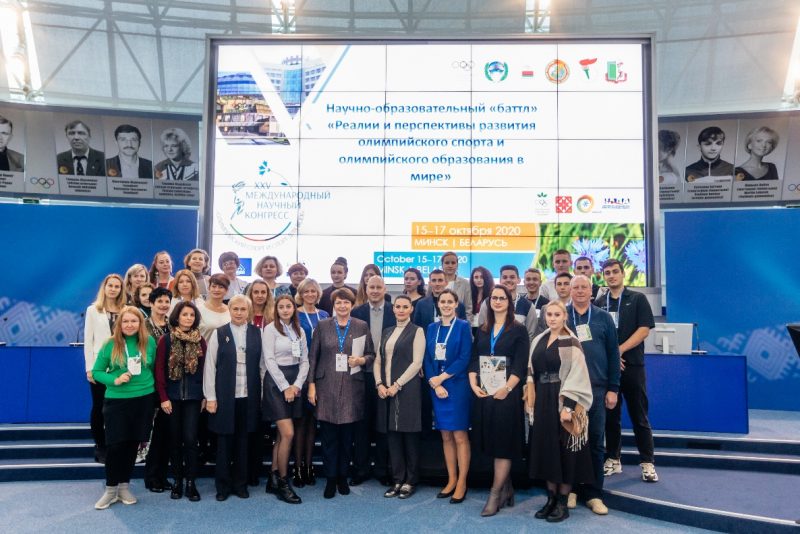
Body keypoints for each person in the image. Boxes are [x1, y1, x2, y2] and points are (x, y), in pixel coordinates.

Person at [526, 300, 594, 523]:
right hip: (542, 400)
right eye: (549, 314)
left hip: (563, 400)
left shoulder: (572, 342)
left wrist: (568, 407)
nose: (552, 318)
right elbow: (531, 371)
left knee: (565, 453)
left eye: (557, 314)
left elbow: (578, 375)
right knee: (547, 450)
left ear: (565, 316)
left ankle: (563, 503)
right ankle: (551, 499)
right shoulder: (538, 340)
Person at [307, 288, 375, 499]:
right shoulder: (323, 325)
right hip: (326, 386)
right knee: (329, 438)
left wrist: (361, 360)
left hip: (352, 387)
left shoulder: (361, 326)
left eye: (346, 302)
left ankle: (342, 477)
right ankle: (330, 479)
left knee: (347, 438)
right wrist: (311, 385)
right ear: (333, 305)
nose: (342, 306)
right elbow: (313, 357)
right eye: (338, 303)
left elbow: (371, 354)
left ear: (352, 305)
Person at [469, 284, 529, 517]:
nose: (497, 301)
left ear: (509, 302)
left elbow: (520, 364)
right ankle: (507, 487)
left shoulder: (519, 330)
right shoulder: (483, 329)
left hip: (507, 394)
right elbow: (474, 359)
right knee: (492, 441)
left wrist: (507, 388)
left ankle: (495, 493)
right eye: (494, 298)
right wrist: (473, 384)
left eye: (502, 298)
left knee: (503, 443)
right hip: (485, 394)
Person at [596, 259, 658, 483]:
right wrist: (611, 358)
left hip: (632, 366)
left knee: (639, 416)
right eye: (607, 273)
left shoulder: (638, 298)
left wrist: (619, 351)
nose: (611, 275)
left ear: (623, 274)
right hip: (608, 370)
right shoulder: (600, 303)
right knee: (611, 417)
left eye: (615, 271)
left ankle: (647, 462)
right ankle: (613, 459)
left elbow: (644, 330)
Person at [91, 306, 157, 509]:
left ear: (140, 323)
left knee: (132, 445)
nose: (129, 325)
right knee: (115, 446)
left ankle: (124, 487)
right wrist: (115, 379)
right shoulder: (110, 344)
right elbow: (97, 372)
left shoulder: (149, 342)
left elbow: (153, 367)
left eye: (133, 321)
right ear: (119, 324)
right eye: (125, 321)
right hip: (117, 400)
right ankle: (111, 489)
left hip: (144, 398)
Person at [565, 275, 620, 515]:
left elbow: (613, 354)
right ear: (570, 291)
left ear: (591, 291)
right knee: (571, 441)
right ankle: (571, 490)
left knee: (596, 442)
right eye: (575, 287)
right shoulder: (563, 315)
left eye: (584, 287)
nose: (579, 291)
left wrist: (613, 388)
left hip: (597, 389)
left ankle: (594, 493)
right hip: (569, 390)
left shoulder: (603, 318)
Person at [204, 294, 263, 501]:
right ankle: (222, 486)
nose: (239, 313)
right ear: (229, 310)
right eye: (235, 309)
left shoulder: (257, 333)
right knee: (224, 443)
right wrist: (211, 397)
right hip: (225, 397)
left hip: (248, 397)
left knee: (243, 443)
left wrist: (262, 396)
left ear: (249, 311)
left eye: (243, 309)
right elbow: (210, 366)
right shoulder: (219, 333)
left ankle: (240, 484)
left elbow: (262, 367)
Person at [423, 289, 472, 504]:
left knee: (460, 435)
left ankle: (462, 482)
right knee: (445, 436)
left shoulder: (462, 326)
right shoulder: (431, 328)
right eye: (442, 301)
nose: (445, 305)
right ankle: (451, 479)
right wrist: (434, 383)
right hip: (437, 387)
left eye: (449, 301)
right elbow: (427, 358)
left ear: (456, 304)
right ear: (438, 304)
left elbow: (464, 357)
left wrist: (442, 378)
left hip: (457, 385)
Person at [155, 301, 207, 501]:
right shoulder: (166, 340)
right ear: (177, 317)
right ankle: (177, 481)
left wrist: (204, 395)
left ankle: (191, 483)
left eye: (192, 315)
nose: (188, 318)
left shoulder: (200, 340)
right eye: (185, 314)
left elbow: (205, 370)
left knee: (191, 440)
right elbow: (159, 370)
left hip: (194, 398)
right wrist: (163, 397)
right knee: (175, 440)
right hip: (172, 399)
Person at [261, 295, 309, 504]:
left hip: (295, 382)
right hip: (276, 383)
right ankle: (283, 481)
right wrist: (285, 386)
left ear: (294, 308)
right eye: (281, 307)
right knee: (288, 433)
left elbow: (305, 361)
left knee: (282, 436)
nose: (285, 310)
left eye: (288, 306)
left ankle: (272, 478)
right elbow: (269, 360)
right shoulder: (270, 329)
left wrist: (297, 385)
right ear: (276, 309)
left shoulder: (300, 330)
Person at [375, 295, 424, 499]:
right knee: (393, 437)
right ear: (393, 309)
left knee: (409, 436)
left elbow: (417, 363)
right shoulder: (387, 331)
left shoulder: (417, 331)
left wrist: (397, 385)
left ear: (411, 309)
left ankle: (410, 481)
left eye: (405, 307)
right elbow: (378, 360)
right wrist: (379, 383)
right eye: (398, 307)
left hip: (407, 389)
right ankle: (397, 479)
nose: (401, 310)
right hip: (385, 391)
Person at [351, 275, 395, 486]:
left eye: (379, 287)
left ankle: (382, 469)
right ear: (366, 289)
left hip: (387, 376)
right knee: (362, 424)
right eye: (372, 287)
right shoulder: (356, 312)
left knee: (383, 424)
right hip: (361, 374)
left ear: (385, 289)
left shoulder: (395, 310)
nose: (375, 290)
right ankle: (361, 469)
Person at [84, 273, 126, 464]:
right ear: (104, 287)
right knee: (99, 406)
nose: (113, 289)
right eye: (111, 285)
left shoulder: (126, 310)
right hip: (99, 367)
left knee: (117, 408)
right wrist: (89, 368)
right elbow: (88, 340)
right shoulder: (93, 310)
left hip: (120, 367)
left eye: (117, 286)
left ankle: (115, 443)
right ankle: (100, 445)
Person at [294, 277, 327, 487]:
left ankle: (309, 465)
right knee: (300, 422)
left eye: (313, 291)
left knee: (313, 423)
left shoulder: (324, 315)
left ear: (318, 294)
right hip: (299, 373)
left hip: (320, 375)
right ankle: (298, 467)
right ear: (301, 294)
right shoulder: (295, 314)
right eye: (306, 291)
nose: (310, 294)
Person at [143, 287, 172, 493]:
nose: (163, 305)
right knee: (152, 435)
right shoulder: (142, 326)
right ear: (151, 303)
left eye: (166, 301)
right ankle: (151, 477)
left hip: (168, 386)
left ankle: (162, 475)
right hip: (147, 386)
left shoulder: (173, 325)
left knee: (165, 434)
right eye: (159, 301)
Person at [476, 265, 540, 341]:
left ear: (518, 280)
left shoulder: (528, 306)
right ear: (500, 280)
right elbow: (482, 329)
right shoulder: (488, 302)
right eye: (505, 277)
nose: (508, 280)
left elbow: (531, 335)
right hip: (491, 347)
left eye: (512, 277)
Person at [197, 274, 231, 342]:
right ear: (209, 288)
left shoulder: (230, 310)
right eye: (214, 286)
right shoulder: (198, 309)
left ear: (226, 290)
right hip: (204, 348)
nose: (216, 290)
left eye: (221, 287)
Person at [441, 251, 473, 322]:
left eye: (453, 263)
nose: (450, 265)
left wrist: (467, 325)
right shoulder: (436, 282)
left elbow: (468, 308)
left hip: (459, 323)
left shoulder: (465, 283)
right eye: (447, 263)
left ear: (457, 265)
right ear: (442, 265)